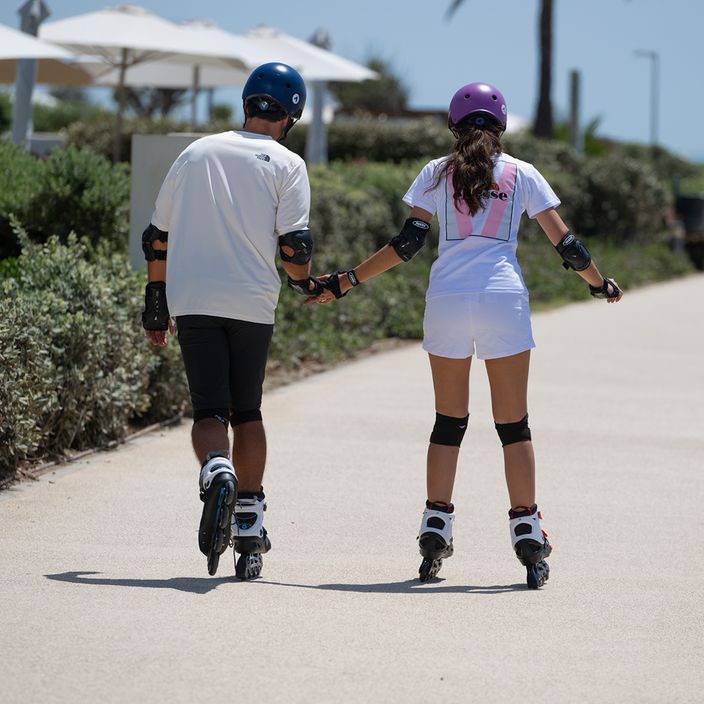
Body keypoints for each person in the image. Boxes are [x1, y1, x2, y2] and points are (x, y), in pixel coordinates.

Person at [311, 82, 623, 589]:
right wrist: (598, 284)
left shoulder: (436, 173)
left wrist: (345, 281)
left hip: (448, 302)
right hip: (504, 300)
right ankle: (527, 531)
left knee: (448, 422)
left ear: (454, 126)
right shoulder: (522, 174)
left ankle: (436, 527)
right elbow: (566, 243)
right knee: (513, 425)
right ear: (500, 126)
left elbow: (408, 242)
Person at [141, 62, 323, 579]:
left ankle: (215, 468)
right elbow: (295, 247)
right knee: (247, 411)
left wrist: (156, 301)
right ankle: (249, 520)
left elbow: (157, 236)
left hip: (192, 299)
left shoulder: (196, 151)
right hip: (251, 302)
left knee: (208, 410)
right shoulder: (287, 164)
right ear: (291, 115)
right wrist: (302, 279)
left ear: (246, 103)